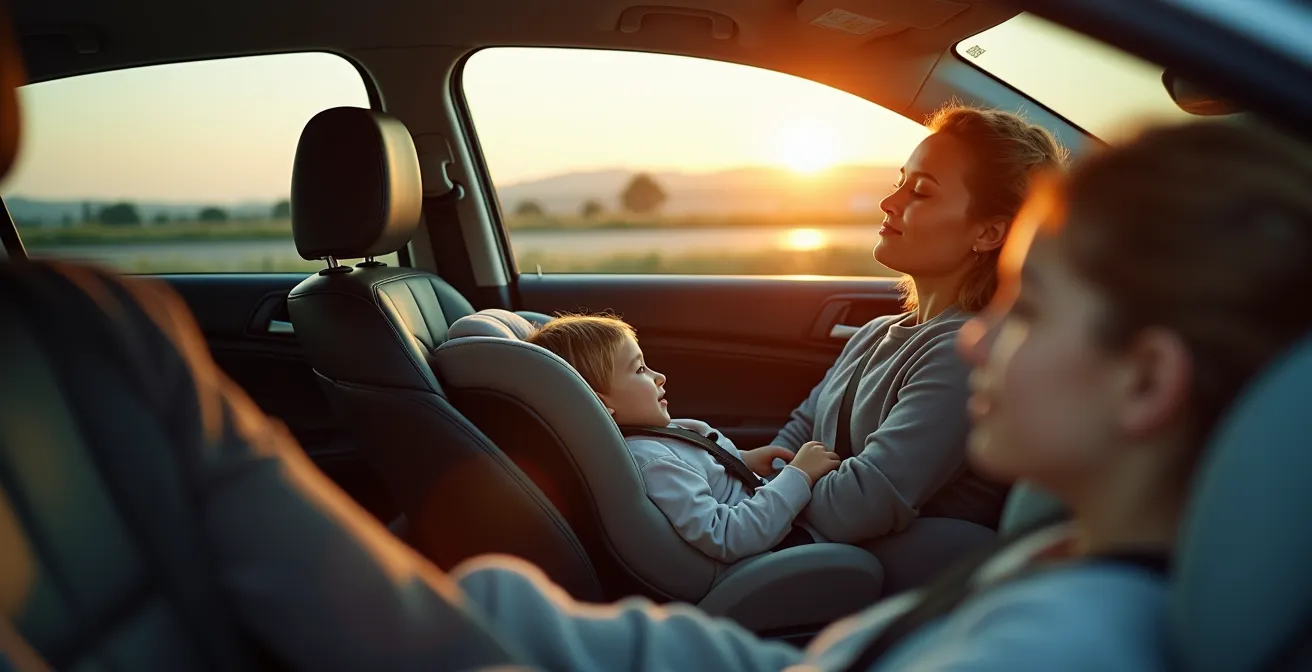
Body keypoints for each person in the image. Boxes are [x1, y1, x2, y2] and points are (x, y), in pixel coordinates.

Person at [453, 119, 1312, 670]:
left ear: (1148, 379)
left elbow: (852, 500)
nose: (985, 339)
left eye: (1033, 308)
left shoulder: (1058, 641)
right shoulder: (1035, 564)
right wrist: (502, 611)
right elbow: (801, 440)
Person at [764, 105, 1070, 545]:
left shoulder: (964, 353)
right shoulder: (874, 334)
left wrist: (780, 492)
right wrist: (785, 482)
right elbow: (791, 440)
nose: (890, 203)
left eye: (921, 192)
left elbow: (856, 507)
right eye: (899, 183)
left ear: (988, 233)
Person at [526, 314, 840, 562]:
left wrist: (743, 460)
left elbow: (703, 469)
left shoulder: (661, 436)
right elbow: (726, 536)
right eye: (640, 370)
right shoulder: (652, 461)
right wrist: (799, 476)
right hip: (774, 553)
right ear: (603, 403)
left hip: (775, 522)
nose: (658, 376)